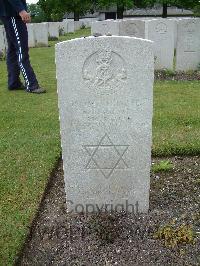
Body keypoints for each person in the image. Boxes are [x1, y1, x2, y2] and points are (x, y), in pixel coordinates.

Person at [0, 0, 46, 93]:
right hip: (13, 13)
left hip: (8, 12)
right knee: (21, 49)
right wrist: (21, 10)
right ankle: (32, 85)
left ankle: (14, 82)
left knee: (13, 49)